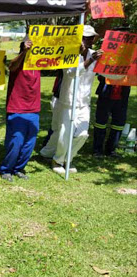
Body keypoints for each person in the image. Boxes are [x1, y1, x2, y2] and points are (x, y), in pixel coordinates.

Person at [40, 25, 103, 174]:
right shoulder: (68, 54)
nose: (86, 40)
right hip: (68, 101)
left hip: (84, 102)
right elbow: (71, 73)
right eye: (83, 37)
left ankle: (66, 158)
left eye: (89, 37)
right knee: (64, 133)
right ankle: (57, 160)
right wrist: (88, 60)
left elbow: (106, 73)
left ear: (94, 39)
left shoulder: (95, 54)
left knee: (82, 134)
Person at [0, 38, 41, 182]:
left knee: (29, 143)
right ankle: (7, 169)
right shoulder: (18, 63)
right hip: (17, 109)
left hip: (34, 110)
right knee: (16, 141)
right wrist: (24, 51)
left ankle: (19, 168)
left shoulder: (39, 64)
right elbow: (11, 66)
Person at [92, 75, 131, 158]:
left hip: (122, 96)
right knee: (100, 123)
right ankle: (97, 150)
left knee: (118, 125)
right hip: (106, 95)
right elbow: (100, 75)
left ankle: (111, 150)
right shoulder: (109, 62)